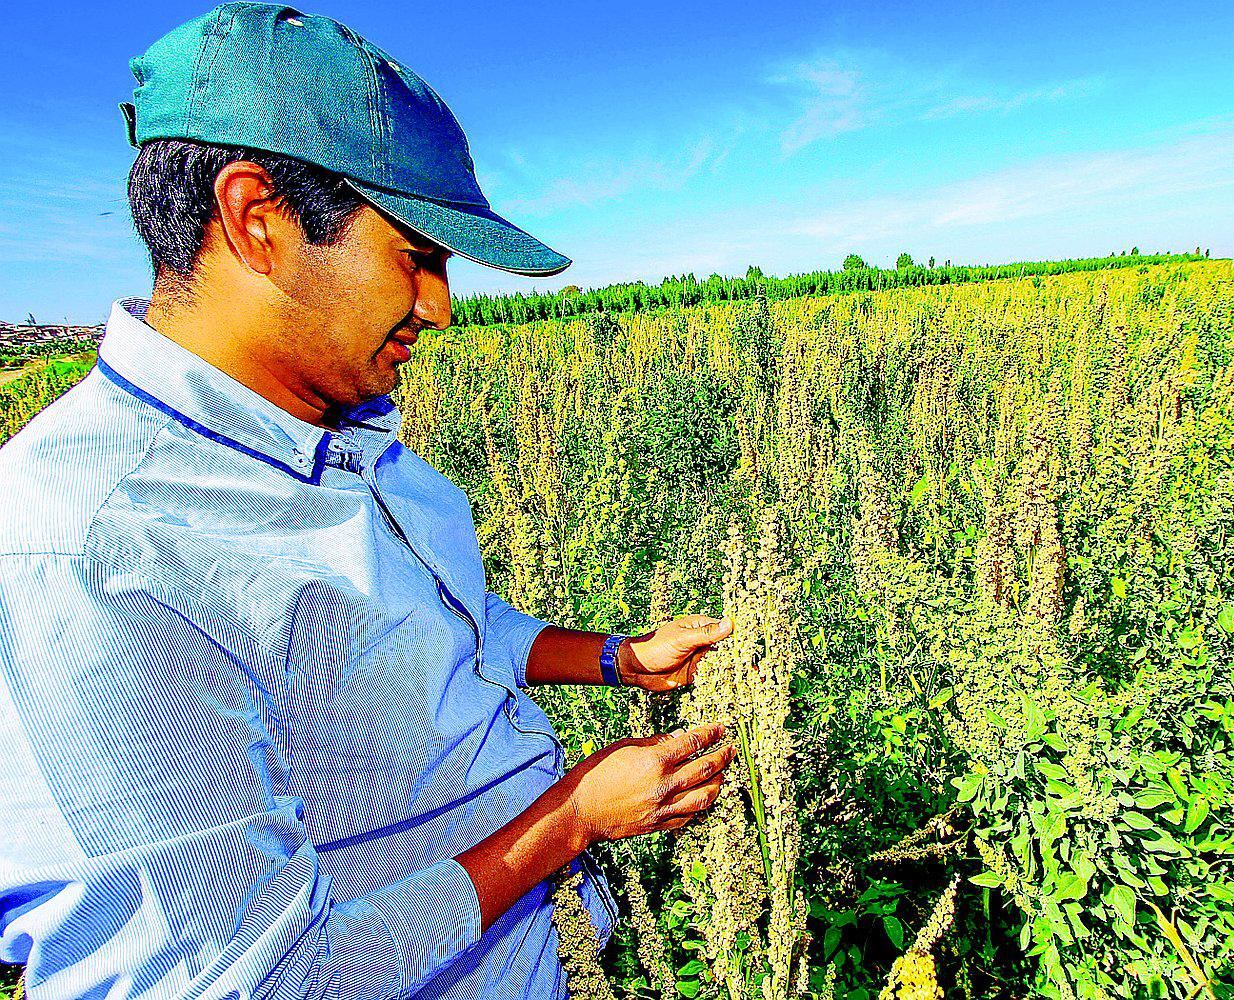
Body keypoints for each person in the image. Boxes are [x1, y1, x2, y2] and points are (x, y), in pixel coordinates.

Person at [0, 3, 737, 997]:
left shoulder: (340, 428)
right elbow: (256, 980)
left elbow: (440, 627)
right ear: (258, 219)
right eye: (417, 256)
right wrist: (572, 817)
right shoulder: (92, 553)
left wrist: (614, 658)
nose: (440, 306)